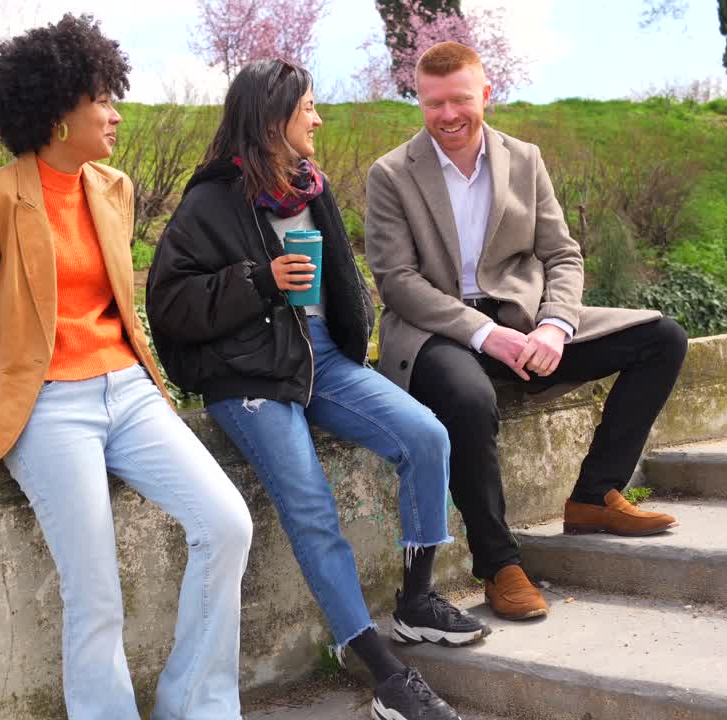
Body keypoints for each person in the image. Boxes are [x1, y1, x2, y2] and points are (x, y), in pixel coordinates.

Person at [0, 15, 252, 720]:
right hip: (44, 405)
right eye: (101, 97)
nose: (115, 112)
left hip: (128, 390)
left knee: (228, 524)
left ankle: (198, 705)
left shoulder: (115, 189)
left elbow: (117, 309)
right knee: (94, 588)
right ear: (56, 109)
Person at [146, 59, 480, 720]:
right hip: (251, 375)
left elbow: (341, 277)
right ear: (274, 120)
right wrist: (260, 280)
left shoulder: (309, 186)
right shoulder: (209, 200)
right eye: (308, 110)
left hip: (322, 360)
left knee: (427, 435)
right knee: (312, 510)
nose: (319, 119)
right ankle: (384, 675)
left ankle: (416, 601)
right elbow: (170, 303)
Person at [364, 42, 689, 623]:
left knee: (662, 339)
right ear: (419, 100)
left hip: (528, 322)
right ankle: (499, 564)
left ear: (486, 94)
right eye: (432, 103)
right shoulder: (391, 173)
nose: (447, 116)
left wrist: (556, 325)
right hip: (436, 332)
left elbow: (562, 254)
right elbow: (398, 282)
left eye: (460, 100)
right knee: (468, 398)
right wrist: (486, 335)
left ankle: (594, 496)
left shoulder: (525, 159)